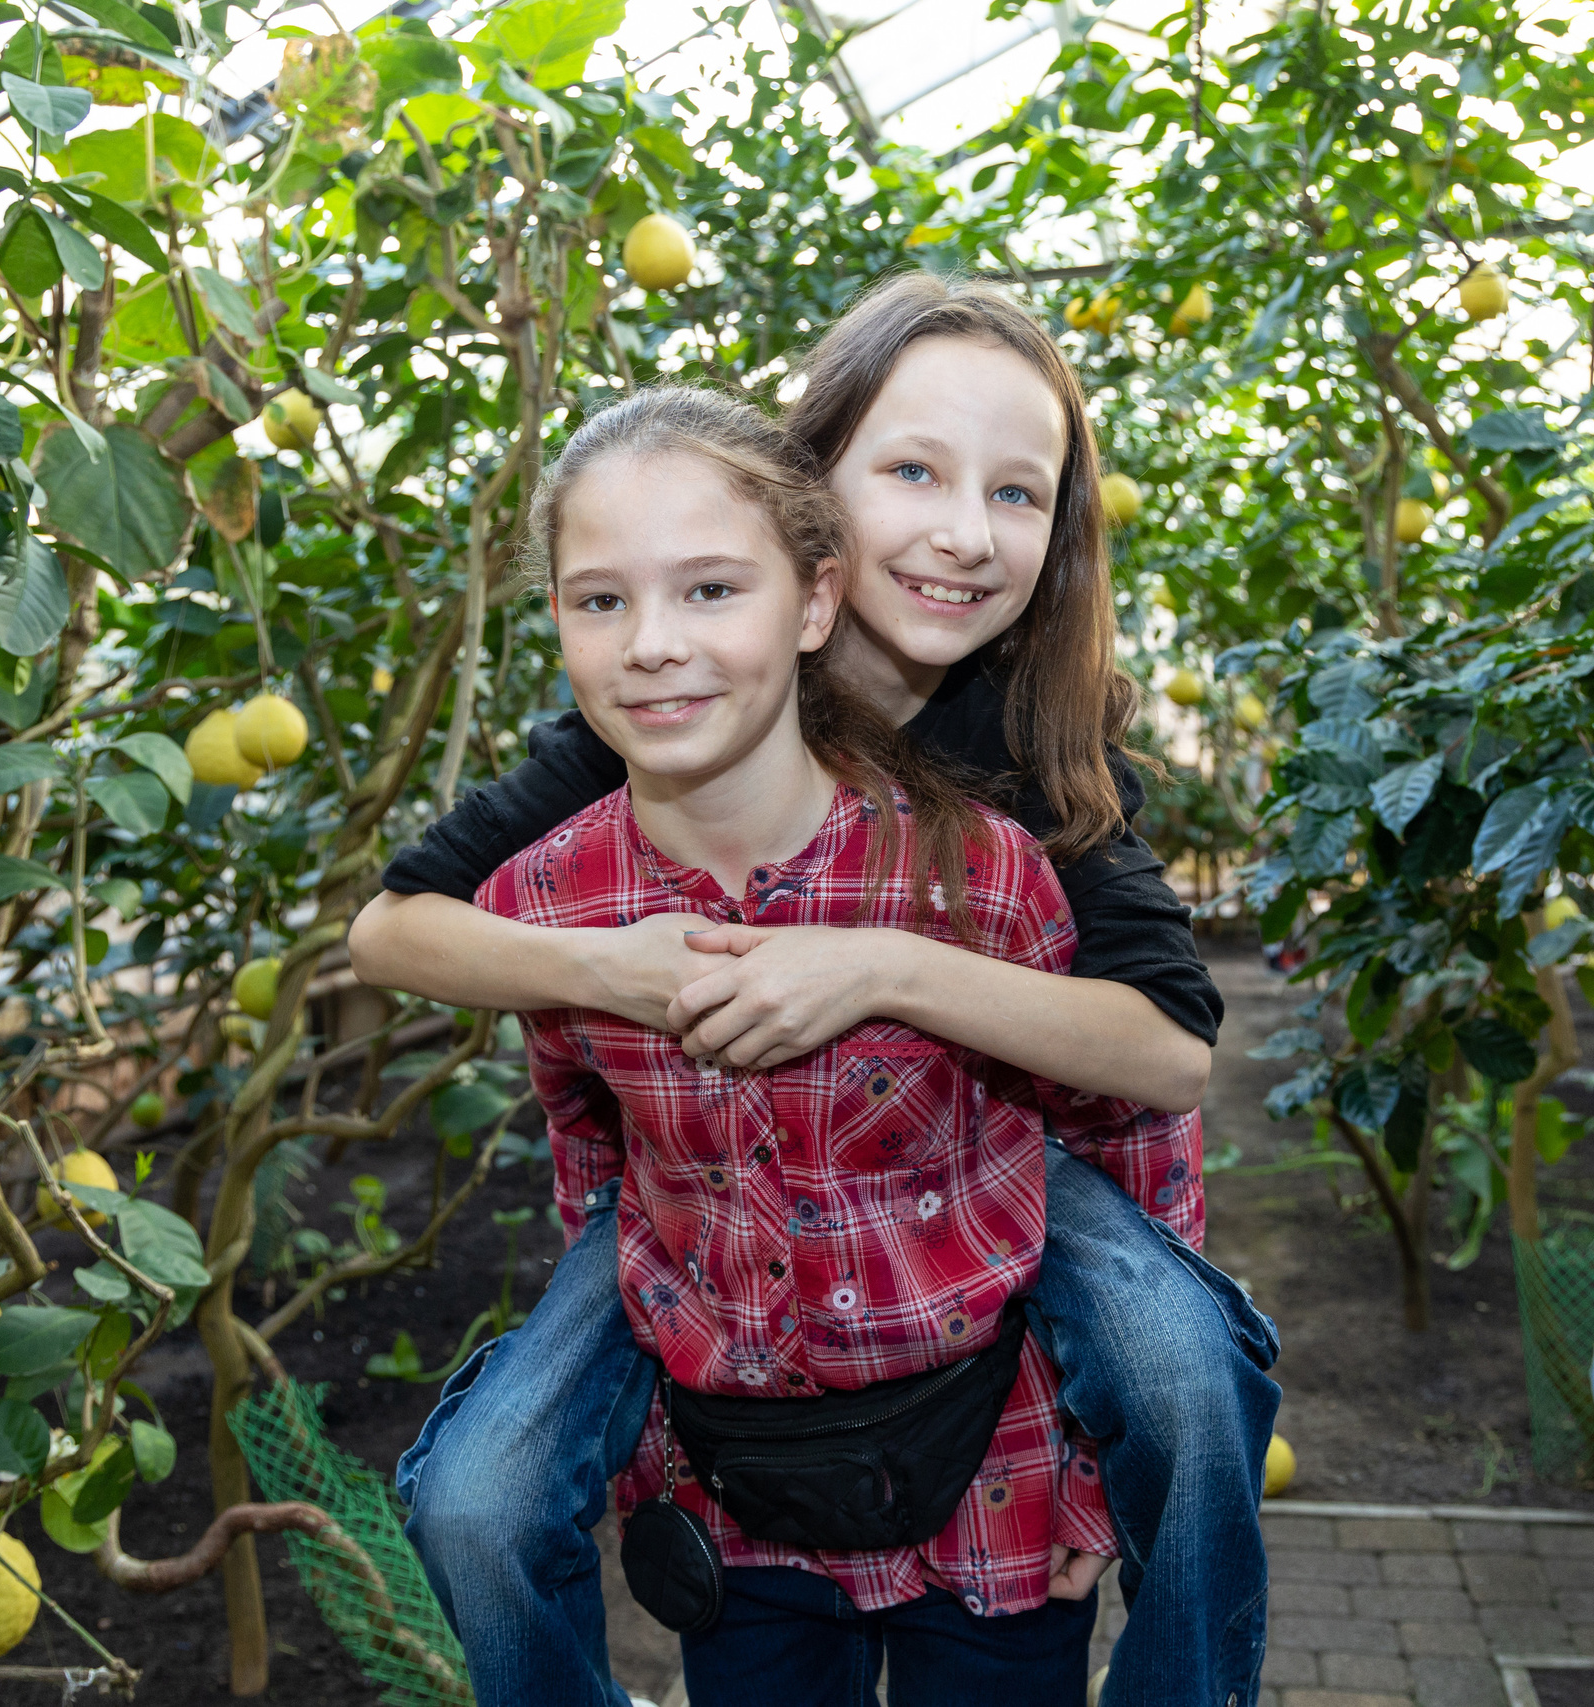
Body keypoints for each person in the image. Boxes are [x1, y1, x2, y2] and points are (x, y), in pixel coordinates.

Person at [358, 275, 1280, 1707]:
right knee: (480, 1488)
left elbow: (1166, 1059)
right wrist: (614, 971)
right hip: (690, 1172)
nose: (965, 532)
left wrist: (884, 966)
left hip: (971, 1146)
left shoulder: (1022, 752)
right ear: (810, 494)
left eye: (1018, 494)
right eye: (912, 470)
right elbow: (396, 929)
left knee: (1181, 1370)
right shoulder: (665, 688)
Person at [465, 384, 1143, 1701]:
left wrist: (1102, 1465)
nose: (653, 643)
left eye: (711, 589)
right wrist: (640, 1436)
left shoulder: (976, 870)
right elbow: (586, 1147)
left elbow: (1122, 1131)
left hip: (991, 1468)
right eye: (599, 600)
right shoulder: (546, 908)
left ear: (816, 603)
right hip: (738, 1498)